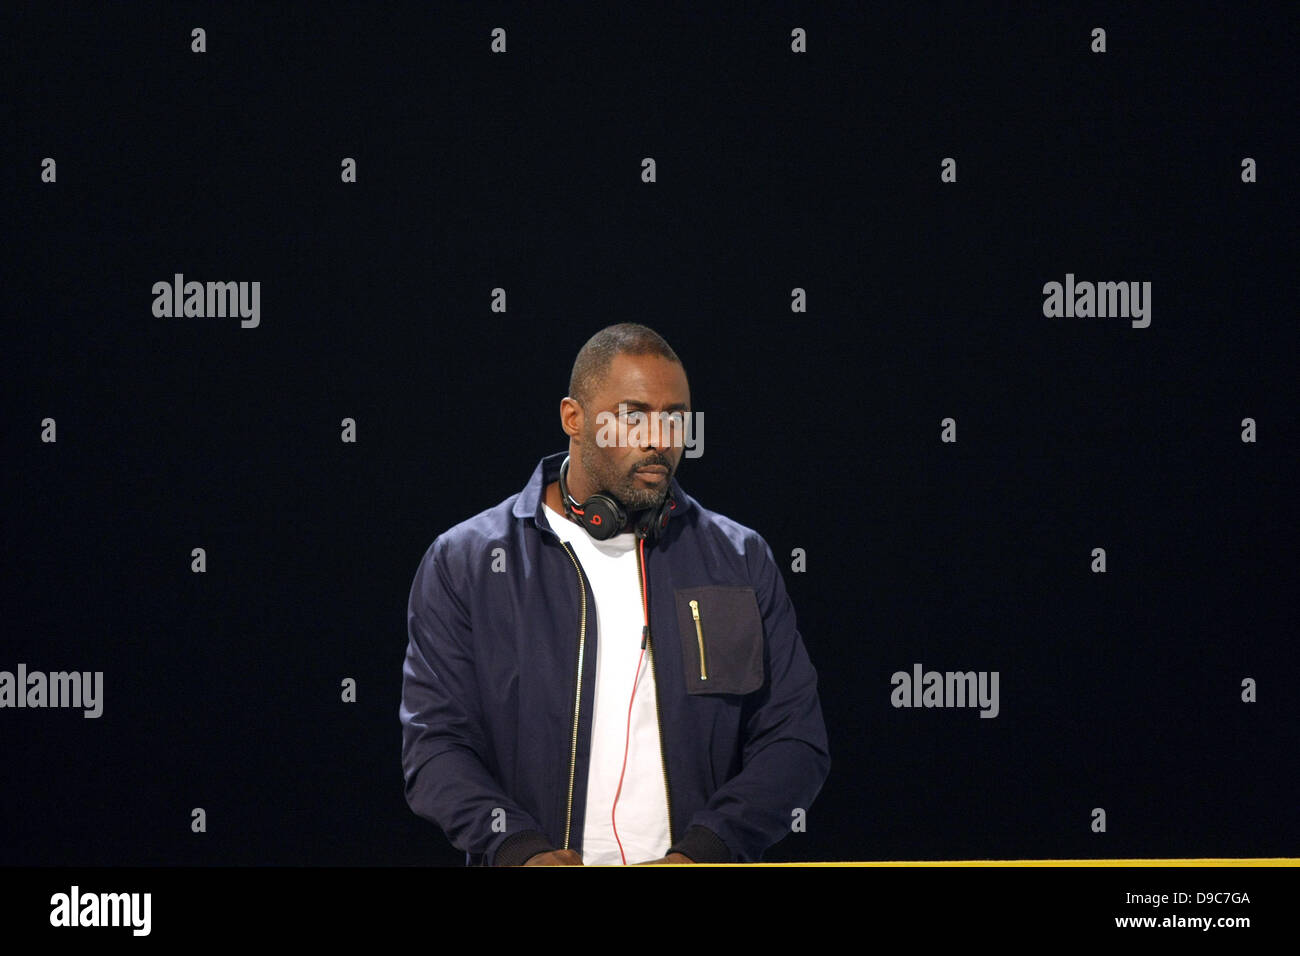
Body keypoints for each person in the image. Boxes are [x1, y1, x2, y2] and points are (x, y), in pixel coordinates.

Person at [400, 323, 830, 865]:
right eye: (634, 416)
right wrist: (517, 849)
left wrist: (706, 851)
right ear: (573, 419)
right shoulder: (465, 562)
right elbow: (435, 746)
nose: (660, 438)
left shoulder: (739, 558)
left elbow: (795, 742)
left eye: (675, 418)